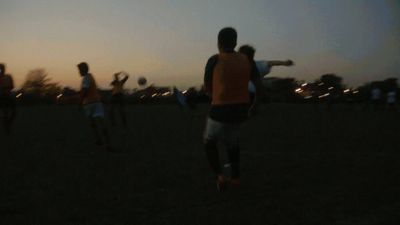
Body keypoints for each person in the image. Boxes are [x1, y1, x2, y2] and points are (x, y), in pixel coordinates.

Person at [203, 27, 263, 191]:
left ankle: (220, 177)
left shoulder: (214, 60)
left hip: (219, 109)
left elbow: (208, 87)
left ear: (218, 43)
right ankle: (235, 178)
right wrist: (255, 105)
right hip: (240, 111)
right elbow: (259, 84)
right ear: (235, 42)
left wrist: (215, 95)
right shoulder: (247, 60)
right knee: (232, 143)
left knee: (209, 142)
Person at [77, 62, 112, 150]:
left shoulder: (86, 78)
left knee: (96, 123)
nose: (79, 72)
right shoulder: (90, 76)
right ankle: (103, 141)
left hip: (90, 104)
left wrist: (80, 103)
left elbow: (84, 91)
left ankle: (103, 141)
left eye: (79, 70)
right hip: (95, 102)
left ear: (83, 70)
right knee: (97, 123)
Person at [0, 63, 16, 135]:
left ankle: (7, 124)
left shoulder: (9, 77)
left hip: (9, 96)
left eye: (2, 68)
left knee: (14, 112)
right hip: (1, 97)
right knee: (5, 112)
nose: (1, 70)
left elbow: (12, 86)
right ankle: (6, 127)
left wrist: (8, 89)